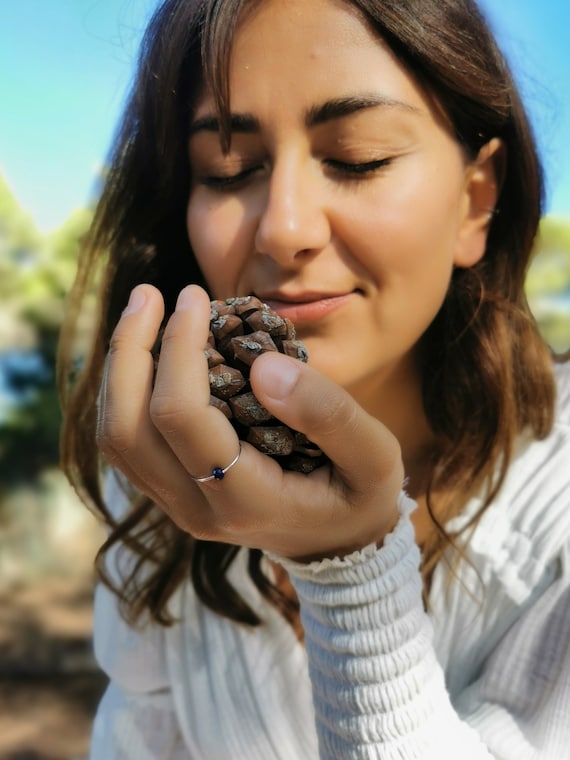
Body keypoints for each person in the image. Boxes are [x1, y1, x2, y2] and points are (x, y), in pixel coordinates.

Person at [58, 0, 570, 757]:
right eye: (226, 171)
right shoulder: (158, 471)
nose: (284, 228)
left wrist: (351, 569)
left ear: (476, 199)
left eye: (358, 158)